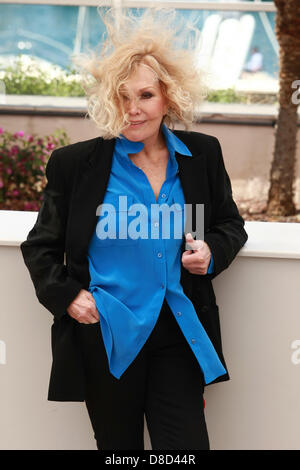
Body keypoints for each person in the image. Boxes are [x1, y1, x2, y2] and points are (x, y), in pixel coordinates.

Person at [20, 7, 248, 450]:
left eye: (145, 95)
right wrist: (68, 296)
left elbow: (228, 224)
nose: (132, 110)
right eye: (121, 96)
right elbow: (40, 247)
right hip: (108, 333)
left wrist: (212, 253)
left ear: (168, 96)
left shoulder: (201, 156)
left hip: (179, 330)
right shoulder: (75, 166)